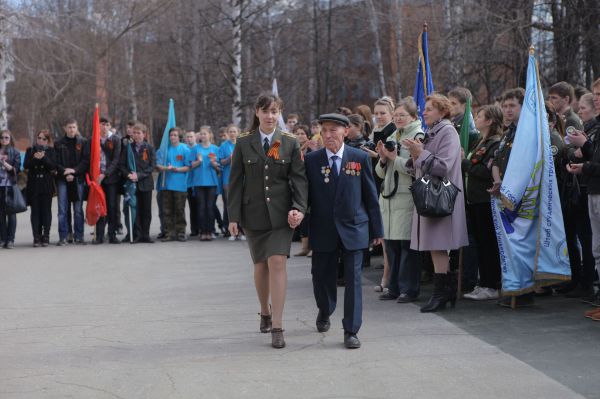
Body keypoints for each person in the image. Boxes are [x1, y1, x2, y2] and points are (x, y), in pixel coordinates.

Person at [227, 92, 308, 349]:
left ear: (279, 113)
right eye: (266, 111)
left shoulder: (289, 142)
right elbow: (235, 182)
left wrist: (299, 208)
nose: (270, 116)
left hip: (282, 215)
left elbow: (298, 179)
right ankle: (264, 310)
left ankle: (278, 325)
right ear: (257, 113)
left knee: (277, 262)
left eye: (275, 111)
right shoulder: (243, 142)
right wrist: (233, 217)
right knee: (260, 266)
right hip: (253, 215)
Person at [305, 113, 383, 349]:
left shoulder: (358, 157)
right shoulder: (312, 160)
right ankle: (325, 309)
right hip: (323, 228)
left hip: (354, 228)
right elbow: (304, 196)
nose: (328, 135)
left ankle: (351, 329)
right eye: (324, 130)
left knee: (354, 281)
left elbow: (370, 196)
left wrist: (376, 228)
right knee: (321, 277)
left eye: (333, 130)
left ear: (346, 131)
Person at [402, 94, 468, 313]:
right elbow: (426, 163)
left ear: (442, 111)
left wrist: (419, 153)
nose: (424, 112)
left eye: (429, 109)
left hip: (441, 197)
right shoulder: (434, 132)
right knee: (435, 247)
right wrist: (414, 157)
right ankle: (445, 292)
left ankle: (441, 293)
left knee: (439, 246)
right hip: (432, 197)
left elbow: (444, 167)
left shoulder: (447, 132)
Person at [376, 98, 424, 303]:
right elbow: (380, 173)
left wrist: (394, 158)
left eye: (402, 115)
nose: (397, 119)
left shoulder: (418, 136)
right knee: (392, 247)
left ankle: (409, 289)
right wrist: (383, 158)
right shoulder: (394, 134)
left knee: (407, 247)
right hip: (389, 199)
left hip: (406, 198)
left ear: (413, 116)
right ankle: (394, 287)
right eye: (396, 116)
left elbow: (416, 168)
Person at [489, 88, 534, 307]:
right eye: (505, 106)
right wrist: (498, 181)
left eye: (512, 106)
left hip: (521, 196)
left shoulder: (528, 132)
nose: (507, 110)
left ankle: (523, 291)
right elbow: (497, 160)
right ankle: (513, 287)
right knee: (508, 246)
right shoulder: (508, 132)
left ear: (522, 107)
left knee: (521, 244)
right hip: (504, 192)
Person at [461, 105, 503, 300]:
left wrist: (464, 162)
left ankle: (491, 284)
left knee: (488, 244)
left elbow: (486, 173)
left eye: (480, 116)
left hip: (486, 199)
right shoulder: (480, 141)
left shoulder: (495, 143)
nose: (476, 119)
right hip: (475, 199)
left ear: (490, 121)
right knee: (479, 242)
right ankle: (484, 281)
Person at [564, 92, 600, 310]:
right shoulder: (593, 128)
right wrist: (584, 150)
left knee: (590, 243)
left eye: (599, 95)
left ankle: (590, 283)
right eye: (595, 95)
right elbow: (583, 153)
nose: (596, 99)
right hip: (592, 189)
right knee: (596, 248)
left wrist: (584, 161)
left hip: (593, 187)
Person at [119, 123, 156, 243]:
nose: (136, 135)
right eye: (134, 133)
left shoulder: (149, 148)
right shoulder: (128, 147)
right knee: (136, 209)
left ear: (144, 134)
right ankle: (138, 234)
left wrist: (138, 175)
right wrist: (129, 175)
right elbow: (122, 165)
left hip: (145, 184)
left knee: (146, 210)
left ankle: (146, 234)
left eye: (138, 133)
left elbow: (152, 166)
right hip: (132, 184)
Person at [55, 119, 89, 246]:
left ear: (77, 127)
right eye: (69, 127)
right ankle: (63, 236)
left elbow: (86, 161)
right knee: (63, 209)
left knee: (78, 209)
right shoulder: (58, 143)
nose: (72, 130)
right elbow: (56, 162)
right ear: (65, 128)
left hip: (78, 179)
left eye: (74, 127)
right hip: (63, 179)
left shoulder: (83, 142)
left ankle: (79, 236)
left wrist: (74, 171)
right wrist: (66, 172)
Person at [156, 127, 191, 242]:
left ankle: (181, 232)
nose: (173, 137)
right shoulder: (164, 150)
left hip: (180, 186)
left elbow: (188, 166)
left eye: (175, 135)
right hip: (166, 185)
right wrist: (166, 168)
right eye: (171, 135)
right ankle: (169, 233)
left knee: (179, 210)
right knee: (167, 210)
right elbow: (158, 165)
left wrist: (178, 169)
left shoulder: (185, 149)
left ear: (179, 137)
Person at [24, 129, 56, 247]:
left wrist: (43, 158)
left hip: (46, 183)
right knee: (35, 211)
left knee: (46, 211)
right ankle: (36, 236)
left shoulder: (51, 151)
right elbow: (26, 165)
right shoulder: (30, 150)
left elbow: (53, 166)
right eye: (39, 138)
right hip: (34, 183)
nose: (41, 140)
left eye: (44, 139)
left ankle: (46, 235)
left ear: (48, 140)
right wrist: (35, 159)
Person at [94, 117, 122, 244]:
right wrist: (96, 175)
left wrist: (105, 174)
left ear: (110, 126)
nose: (104, 127)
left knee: (111, 206)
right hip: (97, 179)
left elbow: (116, 160)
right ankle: (99, 235)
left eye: (107, 124)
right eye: (102, 124)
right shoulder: (94, 139)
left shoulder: (115, 139)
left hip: (111, 178)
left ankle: (112, 234)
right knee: (99, 206)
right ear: (98, 125)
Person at [189, 127, 220, 241]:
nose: (202, 136)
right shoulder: (195, 149)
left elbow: (219, 167)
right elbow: (191, 165)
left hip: (212, 182)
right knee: (201, 207)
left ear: (210, 135)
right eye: (201, 134)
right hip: (199, 182)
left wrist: (214, 164)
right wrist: (199, 161)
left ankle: (210, 231)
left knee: (210, 207)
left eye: (205, 134)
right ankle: (203, 232)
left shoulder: (216, 149)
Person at [219, 124, 244, 241]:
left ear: (238, 133)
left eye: (234, 131)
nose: (232, 134)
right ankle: (230, 231)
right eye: (230, 132)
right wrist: (230, 159)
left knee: (242, 205)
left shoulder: (242, 144)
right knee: (229, 205)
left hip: (242, 179)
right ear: (227, 133)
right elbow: (221, 162)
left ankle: (242, 231)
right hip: (228, 180)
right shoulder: (223, 146)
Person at [292, 124, 312, 256]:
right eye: (297, 133)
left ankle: (313, 247)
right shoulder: (292, 148)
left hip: (310, 185)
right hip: (297, 186)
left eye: (303, 133)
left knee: (311, 217)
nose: (300, 136)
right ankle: (304, 247)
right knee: (302, 217)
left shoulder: (312, 149)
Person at [0, 130, 21, 249]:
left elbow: (16, 170)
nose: (4, 140)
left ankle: (11, 239)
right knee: (1, 215)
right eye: (2, 138)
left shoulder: (15, 152)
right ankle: (2, 239)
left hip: (10, 186)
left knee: (12, 214)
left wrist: (4, 163)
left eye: (6, 137)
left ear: (10, 139)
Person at [184, 130, 199, 237]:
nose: (189, 138)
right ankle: (192, 229)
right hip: (185, 183)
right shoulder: (184, 149)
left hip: (196, 182)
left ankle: (198, 228)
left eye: (191, 136)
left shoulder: (198, 148)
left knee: (196, 208)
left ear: (195, 138)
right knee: (188, 207)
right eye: (188, 137)